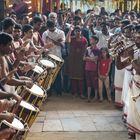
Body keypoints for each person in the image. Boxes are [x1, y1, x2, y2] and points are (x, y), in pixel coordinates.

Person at [66, 25, 88, 98]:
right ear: (74, 32)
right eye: (76, 31)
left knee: (81, 77)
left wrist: (84, 57)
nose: (77, 32)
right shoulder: (71, 38)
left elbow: (85, 51)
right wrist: (70, 31)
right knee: (73, 77)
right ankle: (74, 92)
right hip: (73, 60)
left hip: (81, 60)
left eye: (79, 31)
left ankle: (81, 93)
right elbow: (66, 41)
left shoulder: (84, 40)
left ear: (81, 31)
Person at [83, 35, 100, 102]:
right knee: (88, 83)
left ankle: (96, 96)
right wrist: (91, 59)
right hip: (87, 68)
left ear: (96, 41)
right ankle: (89, 97)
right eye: (90, 39)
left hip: (94, 68)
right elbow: (84, 58)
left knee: (95, 83)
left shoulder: (97, 50)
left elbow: (96, 59)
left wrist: (88, 58)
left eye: (92, 39)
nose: (90, 40)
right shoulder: (87, 49)